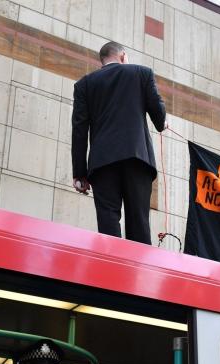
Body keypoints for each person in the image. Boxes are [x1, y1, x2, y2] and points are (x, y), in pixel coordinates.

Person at [71, 41, 167, 244]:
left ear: (103, 60)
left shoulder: (84, 85)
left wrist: (80, 174)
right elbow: (158, 115)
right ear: (123, 56)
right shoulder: (142, 73)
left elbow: (79, 131)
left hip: (102, 163)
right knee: (138, 220)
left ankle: (110, 270)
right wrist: (162, 122)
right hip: (137, 159)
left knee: (108, 221)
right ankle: (138, 271)